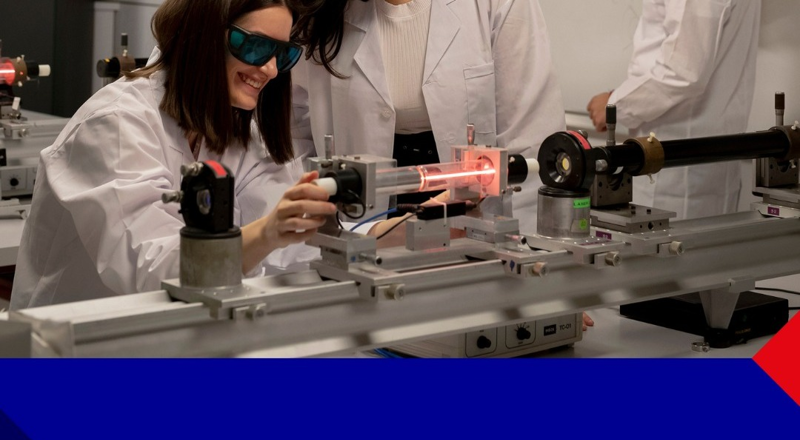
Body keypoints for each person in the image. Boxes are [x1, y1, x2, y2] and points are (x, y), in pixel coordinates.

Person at [10, 0, 335, 310]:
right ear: (204, 35)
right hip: (76, 338)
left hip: (173, 329)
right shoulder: (114, 122)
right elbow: (153, 268)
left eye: (283, 54)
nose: (271, 69)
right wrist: (266, 233)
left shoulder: (232, 128)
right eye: (255, 46)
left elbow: (284, 245)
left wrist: (352, 236)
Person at [290, 0, 566, 237]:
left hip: (480, 224)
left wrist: (523, 253)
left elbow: (531, 144)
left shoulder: (496, 5)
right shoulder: (314, 9)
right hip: (357, 222)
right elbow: (289, 135)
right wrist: (314, 237)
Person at [586, 0, 761, 221]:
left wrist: (615, 105)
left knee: (671, 240)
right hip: (701, 161)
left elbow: (683, 72)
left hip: (673, 171)